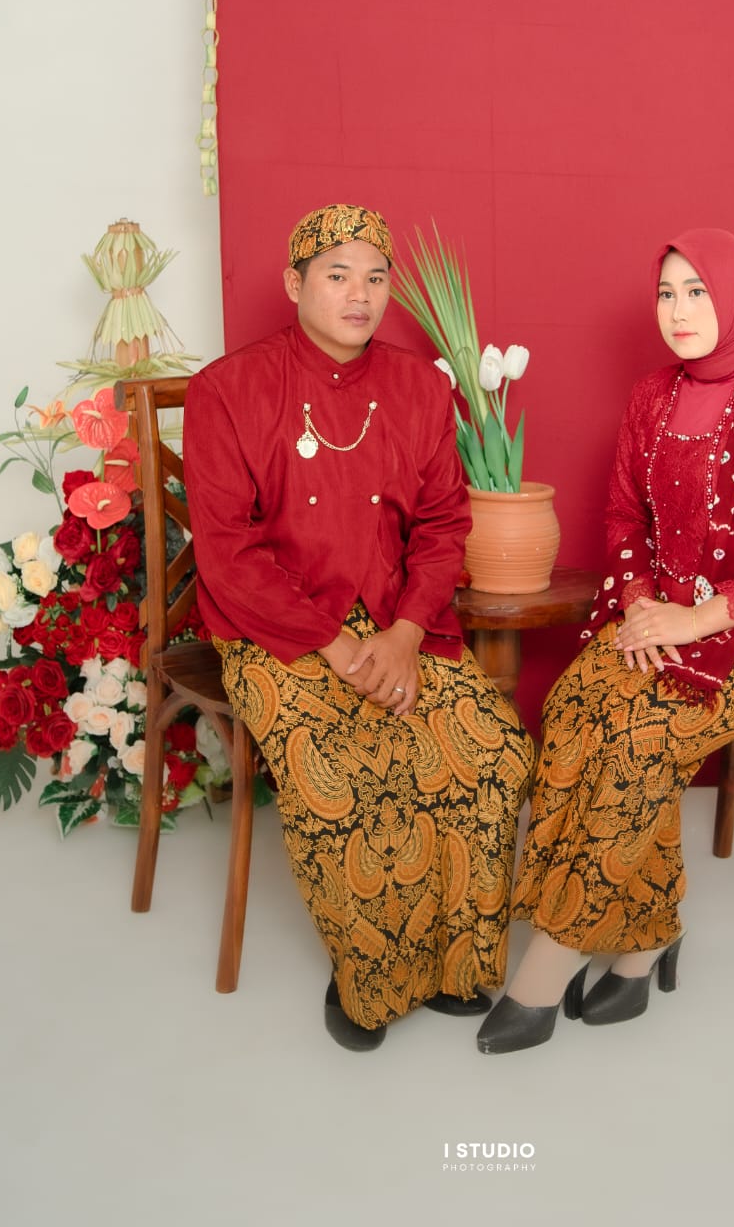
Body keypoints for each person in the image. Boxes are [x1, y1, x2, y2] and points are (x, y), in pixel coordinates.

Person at [477, 226, 734, 1054]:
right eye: (667, 294)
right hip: (659, 612)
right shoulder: (652, 395)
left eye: (698, 292)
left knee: (638, 737)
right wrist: (643, 604)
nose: (678, 312)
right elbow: (621, 517)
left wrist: (697, 620)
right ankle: (647, 937)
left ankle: (551, 958)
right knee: (574, 707)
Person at [183, 204, 535, 1051]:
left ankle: (457, 967)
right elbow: (228, 554)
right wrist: (337, 647)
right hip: (275, 629)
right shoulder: (227, 389)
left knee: (493, 753)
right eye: (337, 275)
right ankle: (369, 981)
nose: (360, 295)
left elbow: (444, 526)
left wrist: (406, 634)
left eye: (375, 278)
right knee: (344, 775)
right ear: (293, 283)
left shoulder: (420, 387)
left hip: (396, 619)